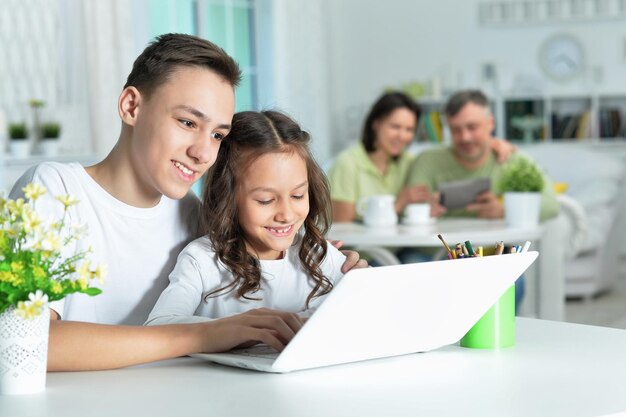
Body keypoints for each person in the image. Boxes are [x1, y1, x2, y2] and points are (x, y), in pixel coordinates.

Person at [9, 34, 364, 371]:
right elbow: (25, 343)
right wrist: (204, 333)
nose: (203, 153)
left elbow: (257, 282)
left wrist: (324, 267)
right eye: (186, 122)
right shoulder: (54, 190)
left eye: (217, 135)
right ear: (131, 106)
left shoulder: (194, 215)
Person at [146, 111, 346, 327]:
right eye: (265, 200)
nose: (286, 215)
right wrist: (237, 329)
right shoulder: (202, 261)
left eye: (298, 196)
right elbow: (159, 325)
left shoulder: (320, 257)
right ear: (227, 199)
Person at [405, 89, 560, 308]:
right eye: (456, 130)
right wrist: (424, 208)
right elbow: (408, 208)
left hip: (491, 258)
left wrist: (502, 210)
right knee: (411, 268)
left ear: (490, 123)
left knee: (512, 283)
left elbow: (552, 205)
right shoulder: (428, 161)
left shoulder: (512, 160)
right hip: (437, 257)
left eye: (472, 127)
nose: (465, 137)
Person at [328, 91, 516, 223]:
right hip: (361, 256)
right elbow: (343, 224)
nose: (402, 136)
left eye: (409, 129)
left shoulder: (408, 162)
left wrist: (493, 143)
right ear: (376, 124)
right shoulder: (348, 163)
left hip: (395, 250)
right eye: (395, 127)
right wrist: (399, 204)